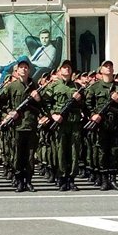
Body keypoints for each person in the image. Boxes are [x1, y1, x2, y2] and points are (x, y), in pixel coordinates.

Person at [0, 58, 41, 192]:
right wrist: (8, 113)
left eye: (26, 67)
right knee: (17, 155)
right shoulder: (11, 86)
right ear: (17, 70)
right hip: (17, 126)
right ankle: (19, 181)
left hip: (30, 125)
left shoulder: (35, 86)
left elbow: (42, 105)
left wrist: (37, 98)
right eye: (21, 67)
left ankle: (28, 181)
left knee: (30, 155)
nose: (23, 69)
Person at [41, 59, 84, 191]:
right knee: (60, 151)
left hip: (74, 123)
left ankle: (71, 179)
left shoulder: (77, 86)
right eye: (64, 67)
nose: (67, 70)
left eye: (69, 68)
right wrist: (53, 114)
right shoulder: (53, 86)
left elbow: (84, 105)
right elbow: (44, 103)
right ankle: (62, 178)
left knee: (74, 152)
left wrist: (79, 99)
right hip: (60, 124)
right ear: (60, 71)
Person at [85, 60, 118, 191]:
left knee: (114, 152)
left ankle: (113, 179)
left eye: (110, 66)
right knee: (102, 152)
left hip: (115, 124)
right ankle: (104, 179)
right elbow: (87, 105)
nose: (108, 68)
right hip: (101, 125)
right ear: (101, 70)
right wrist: (92, 115)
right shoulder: (94, 87)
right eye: (106, 66)